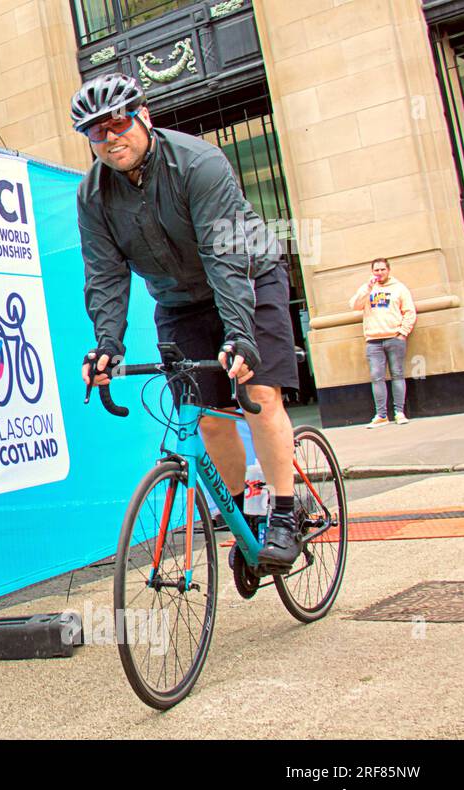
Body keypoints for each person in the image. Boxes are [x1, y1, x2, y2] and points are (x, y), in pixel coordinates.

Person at [71, 72, 303, 572]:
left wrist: (240, 334)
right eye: (96, 132)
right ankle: (243, 521)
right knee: (210, 418)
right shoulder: (93, 196)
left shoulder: (198, 163)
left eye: (119, 123)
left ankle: (284, 512)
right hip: (179, 302)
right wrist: (108, 344)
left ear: (144, 117)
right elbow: (105, 275)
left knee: (259, 396)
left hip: (249, 276)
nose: (111, 138)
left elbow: (225, 257)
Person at [350, 258, 416, 427]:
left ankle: (399, 412)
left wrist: (402, 333)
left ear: (388, 270)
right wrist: (368, 288)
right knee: (376, 377)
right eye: (376, 270)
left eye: (382, 270)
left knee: (397, 374)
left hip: (394, 337)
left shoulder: (399, 288)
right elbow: (355, 305)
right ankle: (381, 415)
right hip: (373, 340)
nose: (379, 273)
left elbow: (409, 311)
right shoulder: (368, 288)